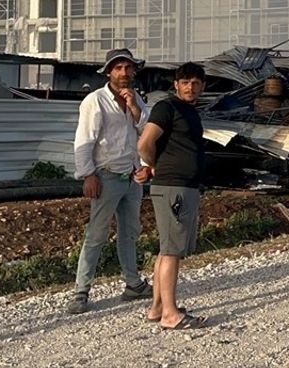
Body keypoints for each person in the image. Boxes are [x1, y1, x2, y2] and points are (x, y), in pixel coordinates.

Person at [67, 48, 152, 315]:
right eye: (118, 68)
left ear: (134, 71)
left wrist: (134, 108)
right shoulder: (96, 100)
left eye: (128, 68)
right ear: (108, 72)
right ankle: (81, 291)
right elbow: (84, 141)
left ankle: (133, 283)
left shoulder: (136, 98)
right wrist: (88, 174)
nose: (124, 73)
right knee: (96, 235)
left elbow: (147, 132)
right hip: (105, 176)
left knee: (129, 233)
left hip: (131, 175)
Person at [135, 62, 208, 330]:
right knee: (172, 251)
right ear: (176, 84)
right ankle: (170, 314)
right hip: (172, 187)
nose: (190, 87)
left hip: (185, 187)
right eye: (185, 82)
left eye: (196, 82)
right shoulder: (167, 107)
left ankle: (156, 308)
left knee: (168, 249)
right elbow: (145, 143)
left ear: (202, 86)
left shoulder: (190, 112)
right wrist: (153, 166)